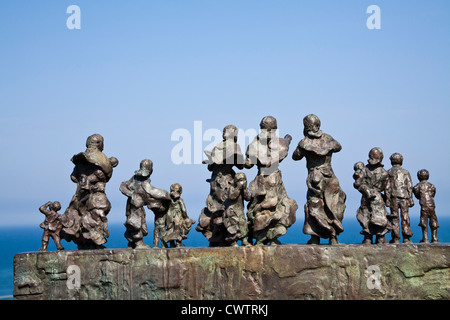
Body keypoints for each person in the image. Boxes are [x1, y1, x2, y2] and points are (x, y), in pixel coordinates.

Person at [292, 114, 345, 245]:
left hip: (316, 177)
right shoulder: (327, 138)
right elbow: (337, 146)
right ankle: (331, 236)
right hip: (329, 176)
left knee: (316, 204)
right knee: (331, 205)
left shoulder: (305, 142)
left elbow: (296, 155)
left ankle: (319, 236)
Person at [245, 116, 297, 246]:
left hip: (262, 179)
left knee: (262, 208)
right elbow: (284, 147)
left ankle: (261, 238)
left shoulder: (254, 144)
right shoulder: (280, 143)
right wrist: (287, 140)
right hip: (273, 179)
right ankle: (270, 238)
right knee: (275, 208)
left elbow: (248, 164)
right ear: (275, 128)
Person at [61, 134, 118, 249]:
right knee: (96, 214)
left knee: (83, 215)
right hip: (95, 193)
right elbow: (105, 176)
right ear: (100, 144)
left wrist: (83, 176)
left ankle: (86, 241)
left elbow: (73, 177)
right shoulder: (102, 159)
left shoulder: (80, 162)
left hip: (81, 192)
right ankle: (91, 241)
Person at [196, 125, 245, 246]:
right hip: (224, 182)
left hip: (216, 181)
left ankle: (220, 237)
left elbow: (211, 167)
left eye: (226, 131)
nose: (224, 132)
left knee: (219, 208)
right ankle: (223, 237)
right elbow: (241, 165)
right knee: (225, 208)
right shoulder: (230, 146)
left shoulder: (221, 146)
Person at [120, 159, 170, 248]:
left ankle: (132, 243)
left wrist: (132, 194)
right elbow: (151, 191)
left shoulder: (137, 178)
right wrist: (132, 194)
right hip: (135, 205)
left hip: (134, 204)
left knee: (135, 223)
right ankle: (138, 243)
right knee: (136, 224)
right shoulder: (140, 180)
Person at [354, 148, 391, 244]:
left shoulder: (384, 173)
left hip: (376, 197)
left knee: (379, 216)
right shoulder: (366, 170)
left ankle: (380, 237)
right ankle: (368, 237)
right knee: (365, 214)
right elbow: (358, 184)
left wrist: (387, 200)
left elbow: (387, 188)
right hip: (367, 197)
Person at [385, 153, 414, 244]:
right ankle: (406, 237)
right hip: (404, 197)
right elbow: (409, 186)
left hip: (394, 197)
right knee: (405, 217)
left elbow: (387, 187)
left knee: (394, 218)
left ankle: (395, 238)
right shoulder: (405, 172)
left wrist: (387, 199)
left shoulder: (389, 172)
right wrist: (410, 198)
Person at [161, 183, 195, 248]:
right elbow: (183, 210)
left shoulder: (168, 199)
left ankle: (171, 243)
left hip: (169, 216)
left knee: (170, 229)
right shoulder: (180, 200)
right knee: (179, 229)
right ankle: (178, 243)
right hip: (177, 216)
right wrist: (186, 217)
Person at [223, 173, 251, 246]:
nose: (241, 182)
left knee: (243, 223)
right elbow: (232, 197)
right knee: (233, 225)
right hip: (232, 210)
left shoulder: (244, 189)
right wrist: (238, 188)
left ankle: (244, 240)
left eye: (243, 180)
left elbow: (248, 198)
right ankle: (233, 241)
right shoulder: (231, 188)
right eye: (239, 180)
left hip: (240, 210)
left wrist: (244, 189)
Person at [413, 169, 439, 243]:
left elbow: (417, 196)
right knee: (433, 220)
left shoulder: (416, 187)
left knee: (424, 222)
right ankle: (434, 238)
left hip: (423, 206)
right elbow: (433, 194)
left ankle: (425, 238)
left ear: (418, 177)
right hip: (431, 205)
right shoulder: (431, 186)